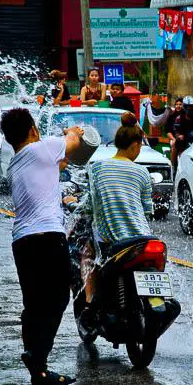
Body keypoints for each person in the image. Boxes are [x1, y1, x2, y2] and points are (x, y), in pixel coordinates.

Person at [2, 107, 85, 385]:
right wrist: (72, 132)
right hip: (48, 236)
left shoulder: (16, 163)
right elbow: (73, 143)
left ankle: (37, 368)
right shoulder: (43, 148)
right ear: (32, 130)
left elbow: (56, 167)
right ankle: (38, 356)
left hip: (22, 241)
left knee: (34, 304)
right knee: (60, 297)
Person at [75, 113, 153, 329]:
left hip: (112, 239)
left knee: (87, 255)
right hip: (143, 238)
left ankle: (90, 305)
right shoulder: (143, 172)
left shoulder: (98, 168)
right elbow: (147, 211)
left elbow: (91, 205)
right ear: (135, 145)